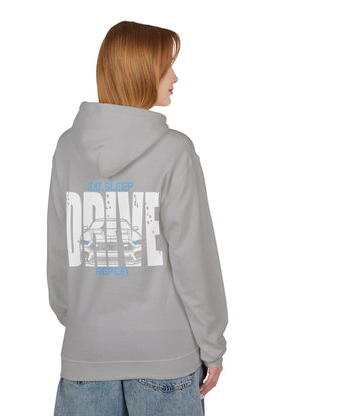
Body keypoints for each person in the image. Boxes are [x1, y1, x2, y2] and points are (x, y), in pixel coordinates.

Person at [47, 20, 228, 416]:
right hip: (165, 359)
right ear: (141, 71)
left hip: (86, 356)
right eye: (166, 66)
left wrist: (86, 324)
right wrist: (212, 344)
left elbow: (59, 255)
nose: (175, 76)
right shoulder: (174, 151)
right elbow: (194, 261)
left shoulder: (68, 148)